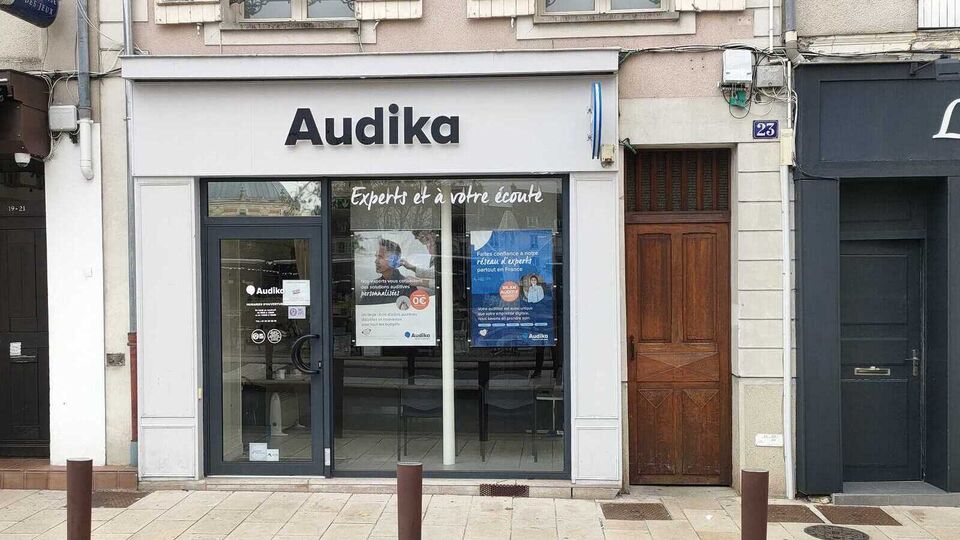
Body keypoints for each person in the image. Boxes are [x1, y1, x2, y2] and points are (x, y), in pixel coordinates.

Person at [358, 238, 417, 305]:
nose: (376, 261)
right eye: (376, 257)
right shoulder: (373, 285)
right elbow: (363, 309)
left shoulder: (408, 287)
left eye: (380, 257)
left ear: (393, 259)